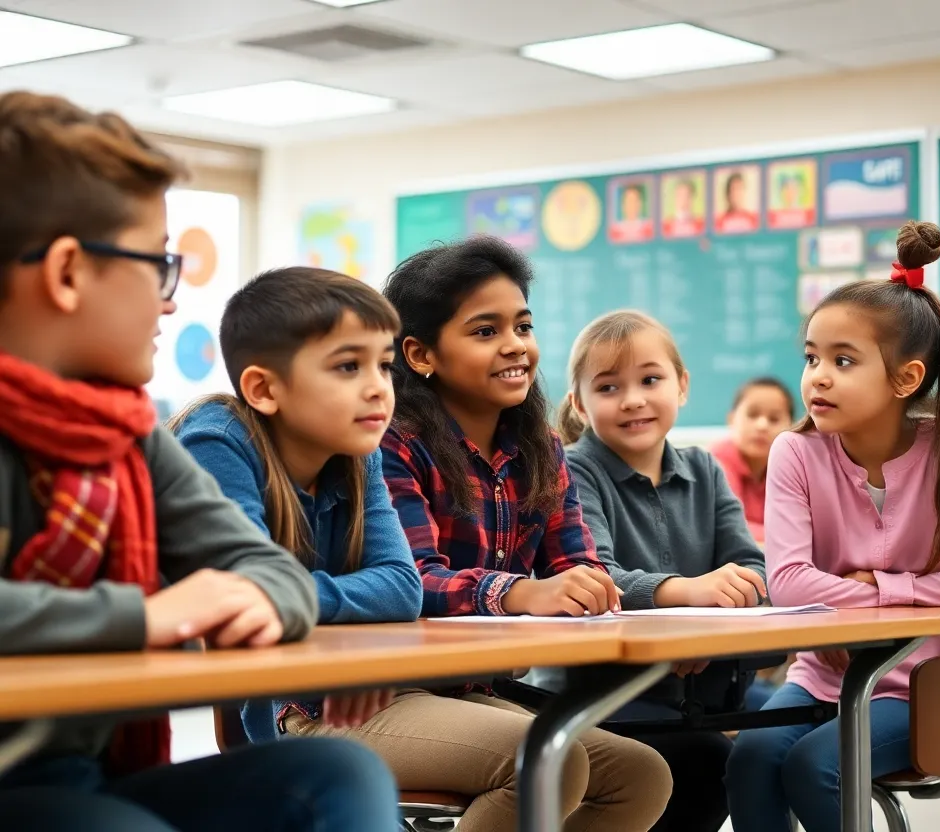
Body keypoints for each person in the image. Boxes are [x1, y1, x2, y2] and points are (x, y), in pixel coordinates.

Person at [0, 90, 398, 831]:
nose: (170, 301)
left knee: (338, 774)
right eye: (158, 266)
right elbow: (169, 611)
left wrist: (257, 599)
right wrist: (142, 617)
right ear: (65, 273)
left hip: (75, 772)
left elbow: (269, 570)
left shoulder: (128, 435)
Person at [725, 221, 940, 831]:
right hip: (823, 674)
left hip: (926, 687)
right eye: (810, 358)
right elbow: (790, 583)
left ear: (906, 379)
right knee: (750, 756)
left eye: (843, 360)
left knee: (815, 764)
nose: (817, 377)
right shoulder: (795, 454)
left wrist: (883, 587)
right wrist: (911, 589)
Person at [379, 236, 672, 831]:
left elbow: (580, 570)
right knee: (549, 765)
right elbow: (412, 583)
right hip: (366, 698)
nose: (516, 346)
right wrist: (519, 592)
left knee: (640, 776)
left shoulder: (540, 450)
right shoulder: (391, 444)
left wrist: (589, 588)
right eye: (485, 331)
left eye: (523, 325)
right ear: (420, 353)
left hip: (465, 694)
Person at [171, 267, 424, 742]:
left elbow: (400, 587)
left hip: (353, 697)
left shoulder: (355, 451)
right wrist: (339, 598)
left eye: (384, 365)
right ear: (265, 390)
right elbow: (240, 591)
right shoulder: (217, 441)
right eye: (349, 366)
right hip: (285, 716)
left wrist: (287, 597)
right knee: (548, 762)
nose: (378, 387)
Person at [553, 310, 767, 832]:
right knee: (704, 760)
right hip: (596, 693)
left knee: (758, 749)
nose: (633, 399)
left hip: (696, 693)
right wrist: (687, 597)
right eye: (609, 387)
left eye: (651, 379)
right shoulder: (573, 468)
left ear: (683, 385)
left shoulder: (705, 470)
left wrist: (704, 627)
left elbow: (752, 568)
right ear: (580, 404)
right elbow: (595, 575)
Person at [710, 376, 796, 543]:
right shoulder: (716, 462)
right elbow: (730, 527)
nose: (762, 425)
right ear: (731, 419)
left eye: (774, 419)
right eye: (752, 415)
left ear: (792, 428)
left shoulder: (792, 466)